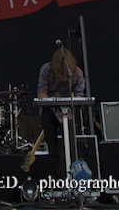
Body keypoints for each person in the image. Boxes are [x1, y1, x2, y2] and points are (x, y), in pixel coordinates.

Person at [37, 44, 85, 173]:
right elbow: (41, 93)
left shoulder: (77, 73)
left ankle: (73, 175)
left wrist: (72, 99)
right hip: (50, 110)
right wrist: (51, 100)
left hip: (67, 112)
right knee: (53, 149)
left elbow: (79, 94)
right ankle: (57, 179)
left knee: (71, 147)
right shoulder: (46, 69)